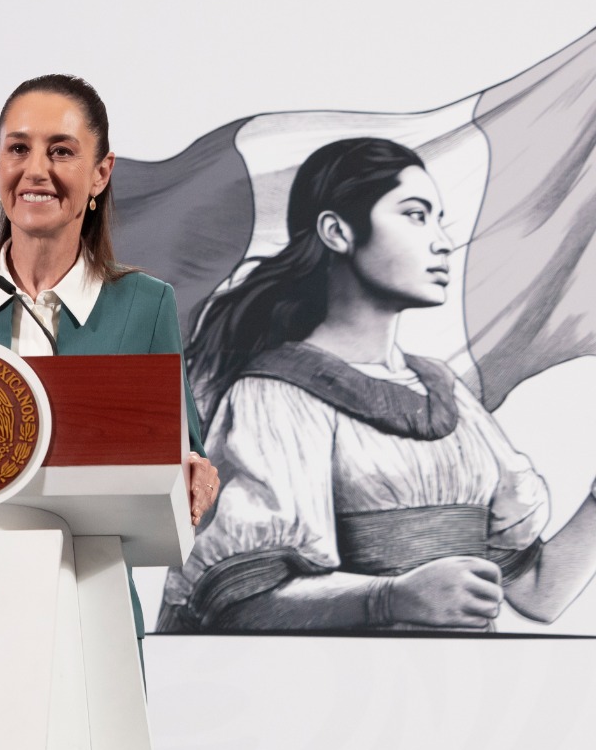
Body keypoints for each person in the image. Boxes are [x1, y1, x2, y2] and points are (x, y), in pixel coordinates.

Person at [159, 137, 596, 632]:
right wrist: (390, 599)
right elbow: (238, 602)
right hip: (347, 679)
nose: (442, 242)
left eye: (439, 219)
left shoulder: (447, 393)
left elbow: (538, 593)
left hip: (466, 679)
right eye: (415, 215)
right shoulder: (276, 395)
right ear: (336, 231)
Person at [0, 73, 220, 528]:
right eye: (18, 149)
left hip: (90, 564)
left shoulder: (146, 305)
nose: (36, 169)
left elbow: (185, 458)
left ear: (101, 173)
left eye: (60, 151)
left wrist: (196, 473)